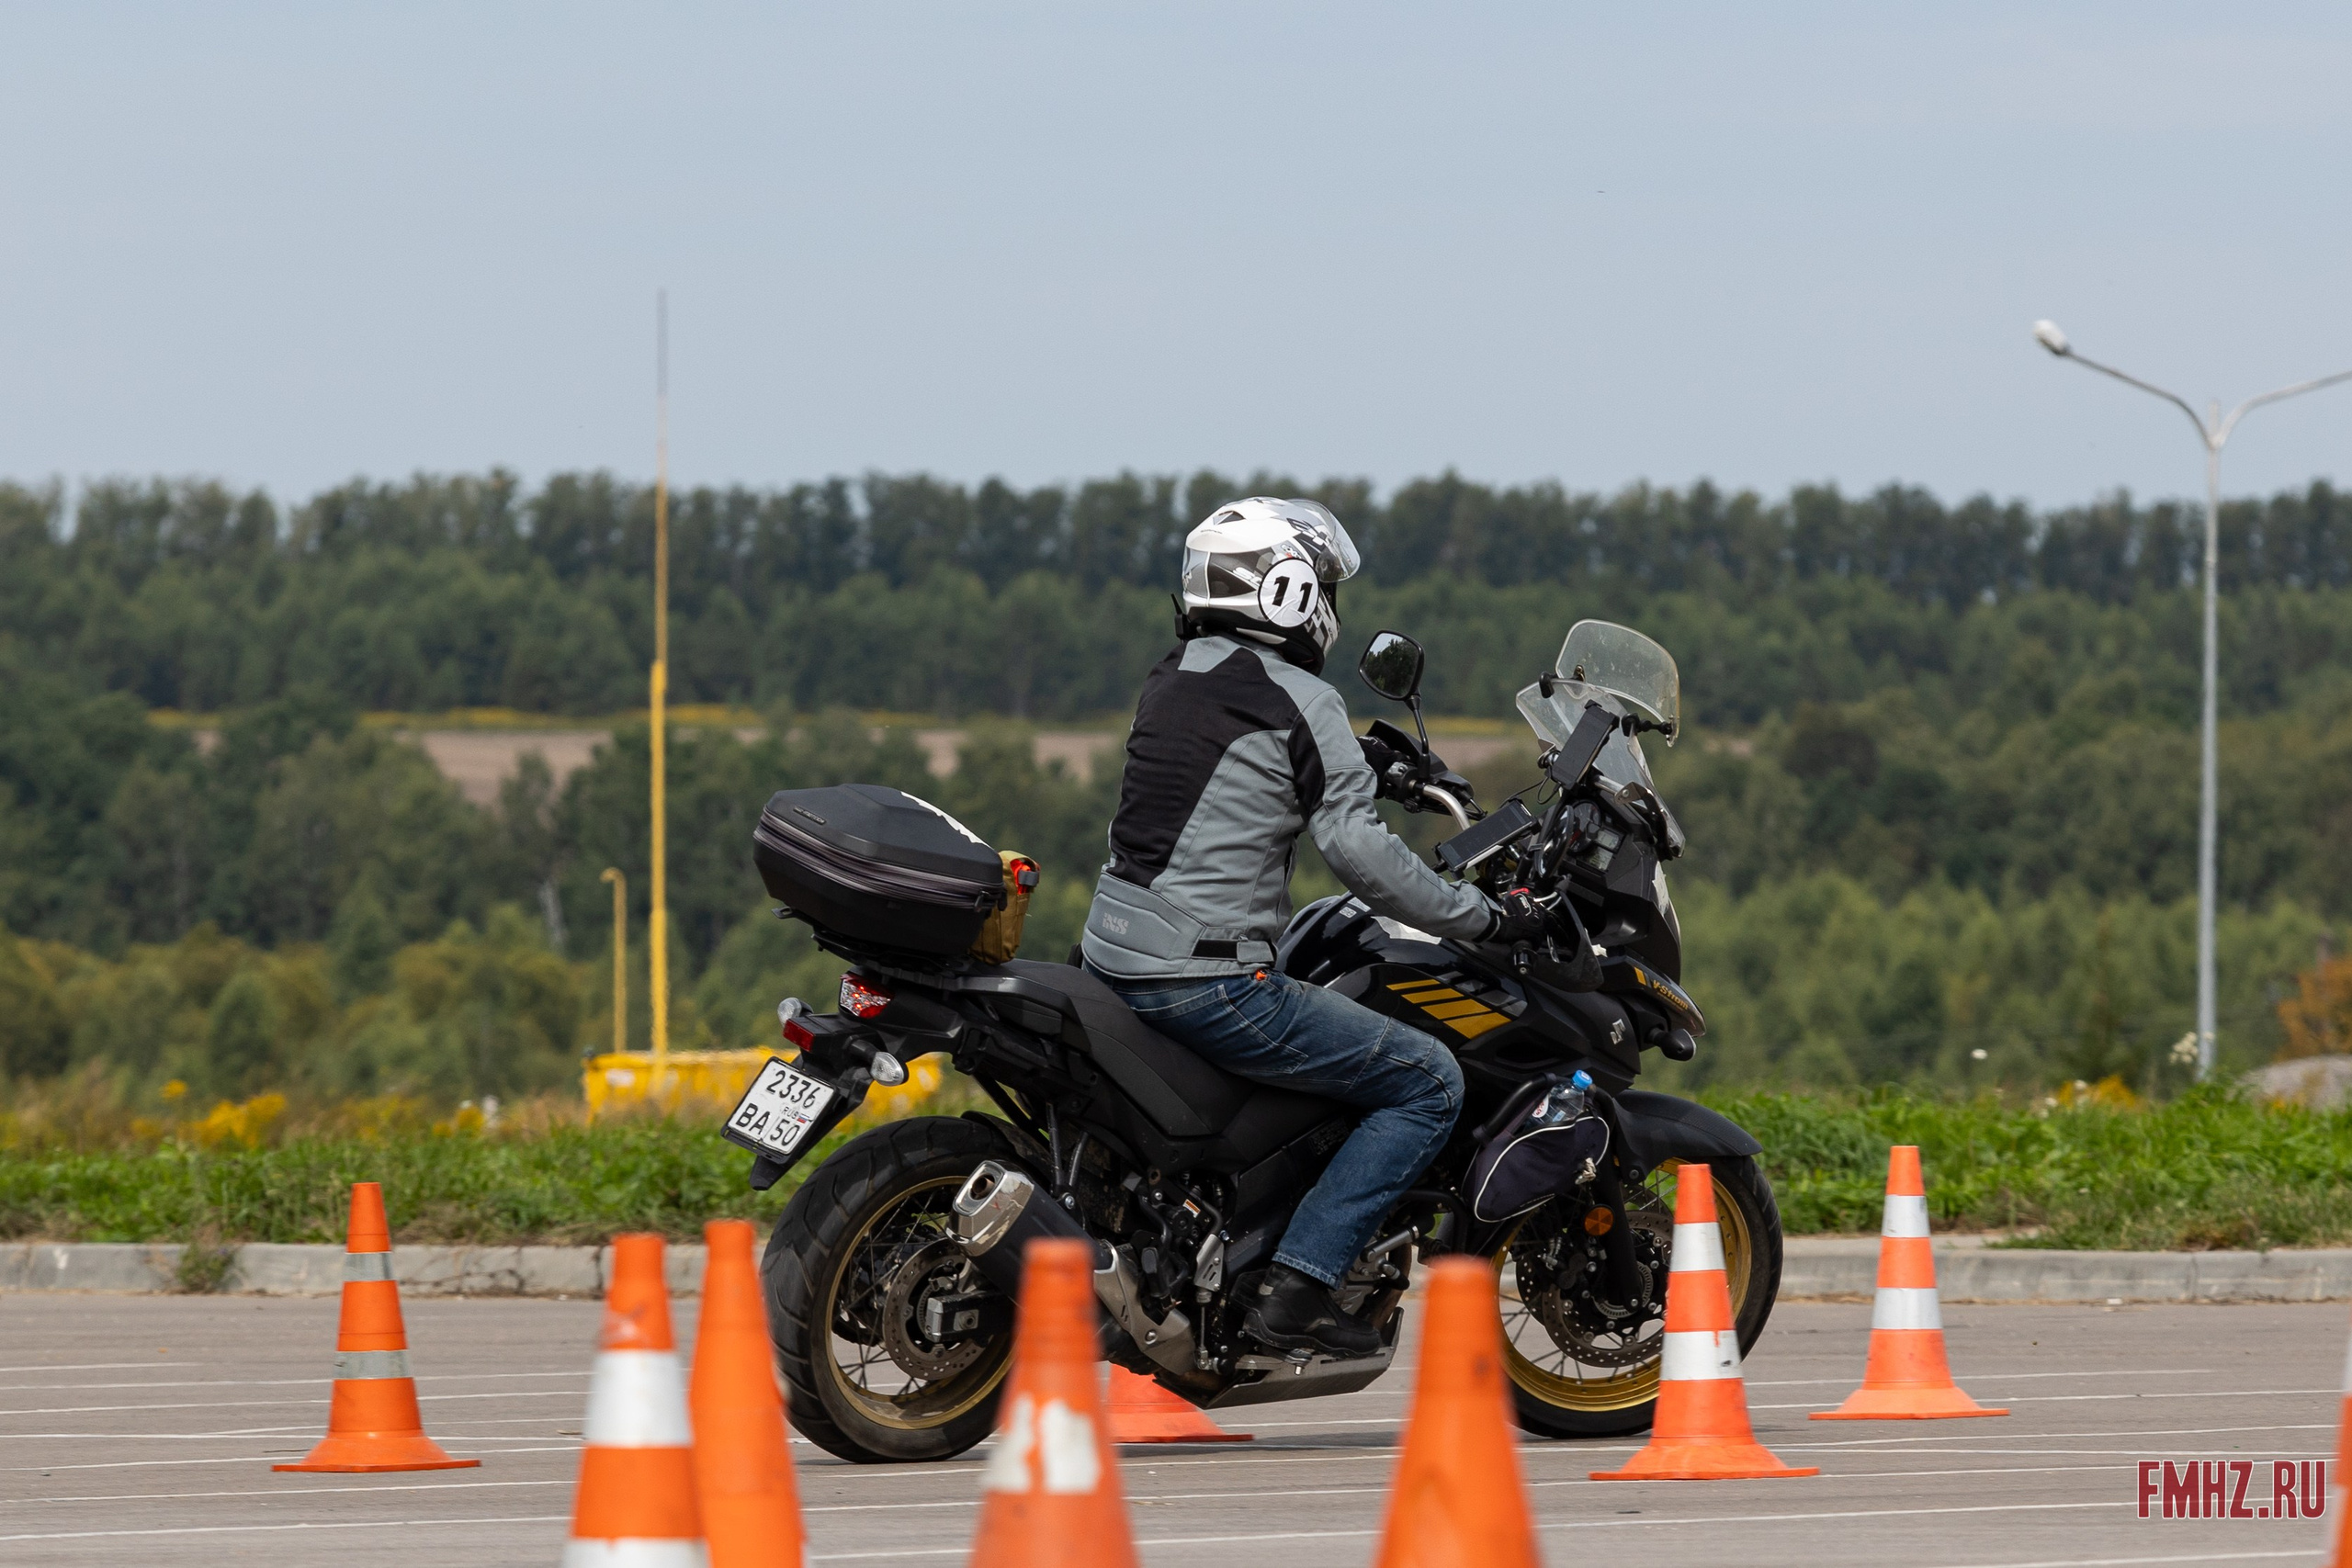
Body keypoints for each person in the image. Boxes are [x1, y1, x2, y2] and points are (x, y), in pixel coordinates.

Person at [1080, 496, 1547, 1357]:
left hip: (1111, 954)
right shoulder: (1303, 698)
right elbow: (1358, 854)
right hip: (1208, 980)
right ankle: (1298, 1288)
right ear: (1290, 592)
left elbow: (1238, 755)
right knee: (1427, 1079)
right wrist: (1480, 914)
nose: (1330, 600)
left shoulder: (1173, 675)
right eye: (1323, 583)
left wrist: (1362, 758)